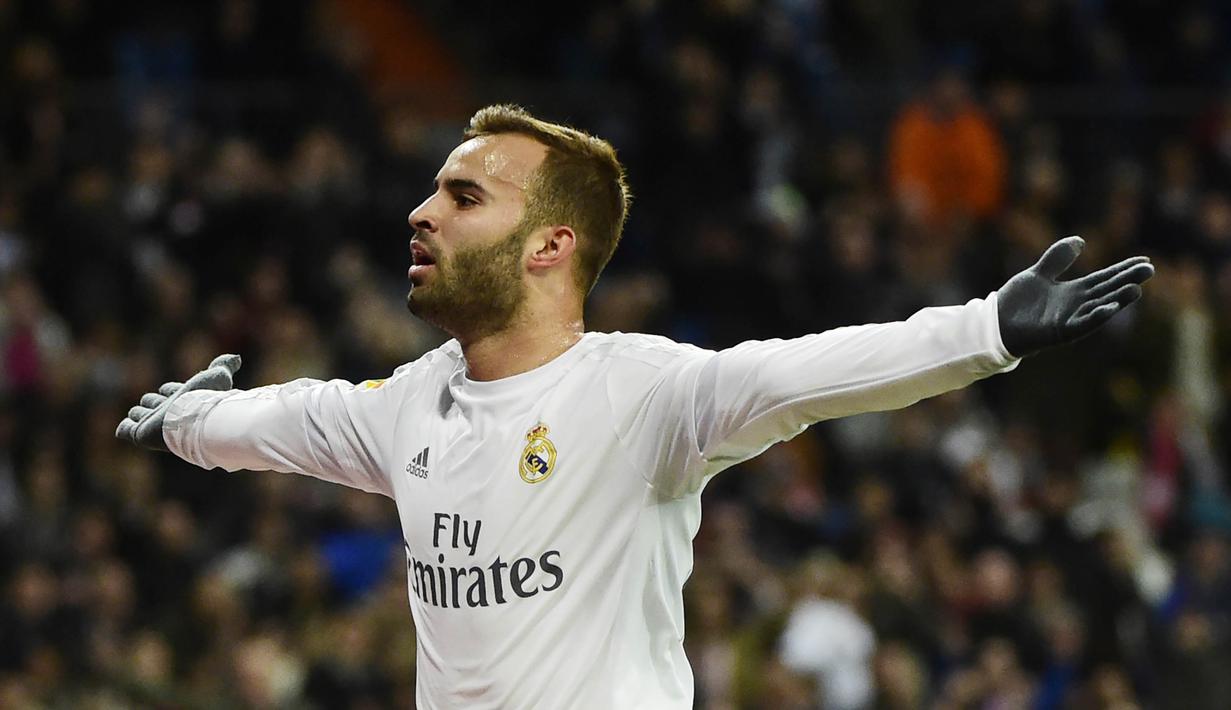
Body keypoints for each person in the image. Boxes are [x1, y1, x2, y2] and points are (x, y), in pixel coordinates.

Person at [116, 104, 1154, 709]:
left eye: (463, 196)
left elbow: (806, 370)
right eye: (435, 189)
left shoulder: (640, 393)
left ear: (551, 245)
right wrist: (184, 423)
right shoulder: (411, 403)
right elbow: (280, 418)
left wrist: (987, 329)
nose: (420, 211)